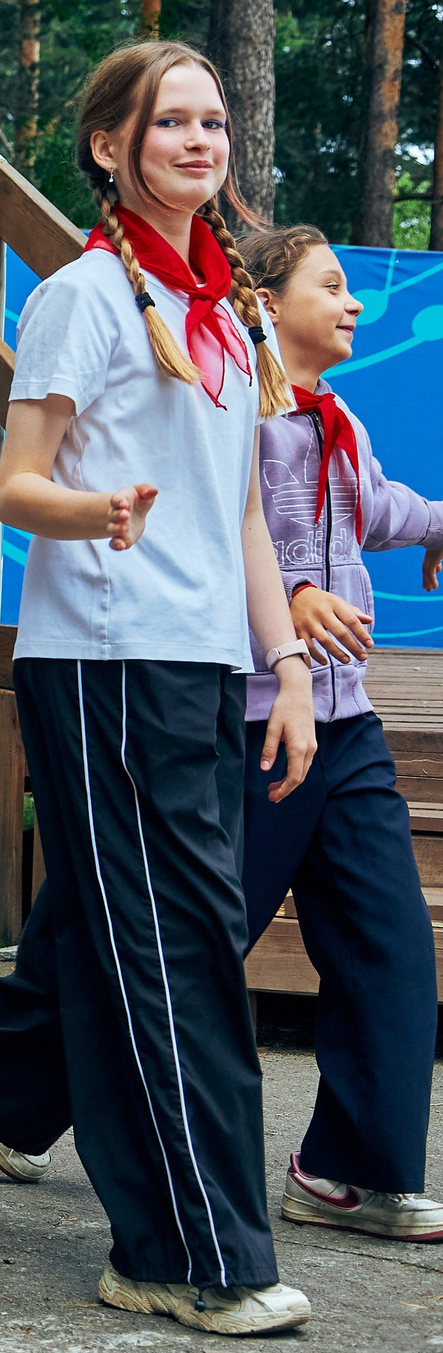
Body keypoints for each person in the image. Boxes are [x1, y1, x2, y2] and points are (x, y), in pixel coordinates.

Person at [0, 40, 319, 1335]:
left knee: (120, 915)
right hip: (100, 664)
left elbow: (245, 513)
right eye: (170, 121)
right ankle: (186, 1250)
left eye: (213, 121)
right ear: (111, 146)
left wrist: (286, 663)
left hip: (200, 667)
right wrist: (96, 510)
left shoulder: (235, 315)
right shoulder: (82, 295)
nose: (200, 140)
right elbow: (20, 481)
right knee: (172, 942)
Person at [234, 223, 441, 1243]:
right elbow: (203, 544)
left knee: (388, 943)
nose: (353, 303)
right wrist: (293, 600)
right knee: (192, 940)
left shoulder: (334, 417)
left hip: (344, 721)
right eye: (332, 286)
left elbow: (375, 508)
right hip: (250, 721)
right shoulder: (233, 410)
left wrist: (440, 521)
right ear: (268, 304)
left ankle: (344, 1172)